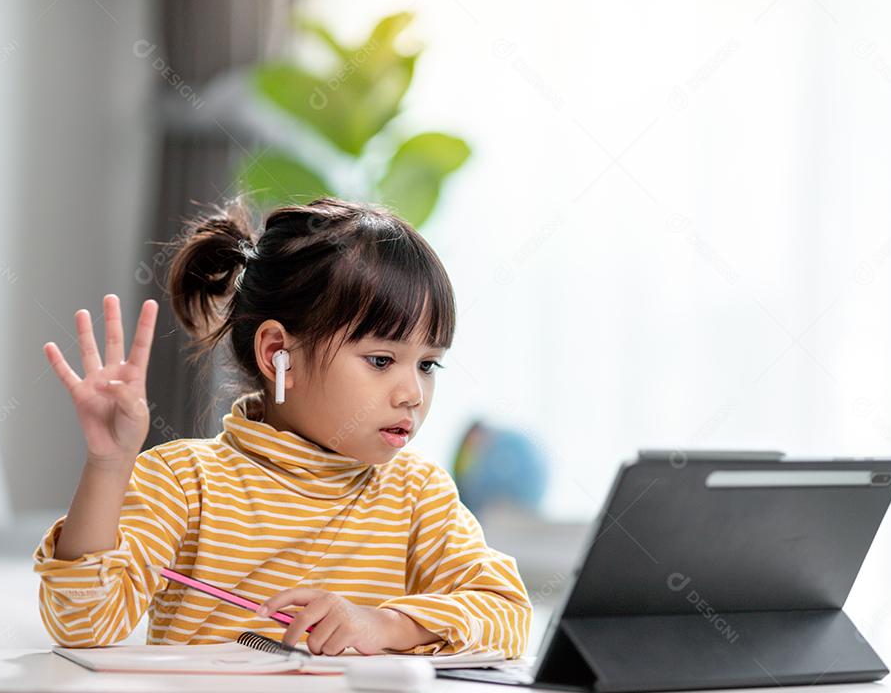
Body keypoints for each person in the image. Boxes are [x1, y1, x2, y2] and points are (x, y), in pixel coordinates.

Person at [32, 197, 532, 657]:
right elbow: (83, 625)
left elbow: (508, 615)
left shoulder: (419, 495)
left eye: (428, 365)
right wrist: (109, 464)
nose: (413, 393)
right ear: (278, 354)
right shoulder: (185, 481)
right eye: (381, 360)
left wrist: (385, 624)